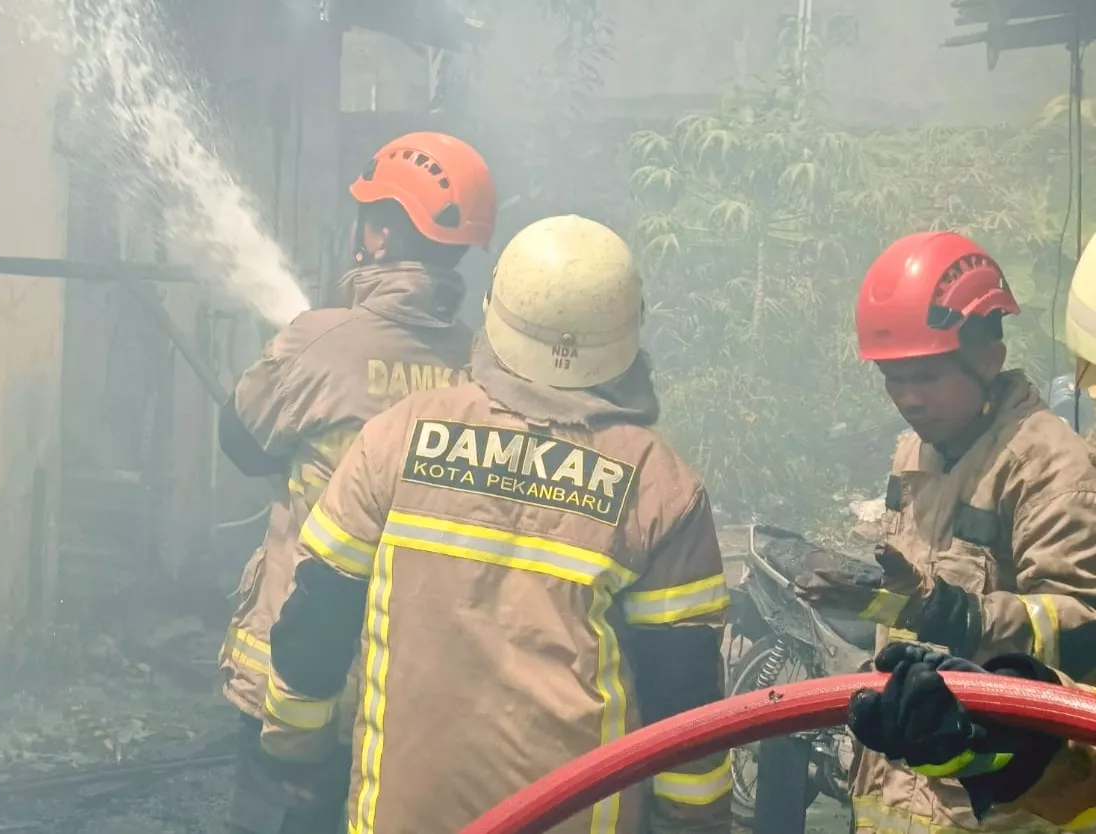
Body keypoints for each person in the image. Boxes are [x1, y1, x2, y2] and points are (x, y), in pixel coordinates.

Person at [260, 214, 733, 834]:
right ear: (629, 331)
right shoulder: (658, 485)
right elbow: (684, 696)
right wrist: (695, 821)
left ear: (493, 311)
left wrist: (296, 750)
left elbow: (316, 618)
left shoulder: (395, 439)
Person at [216, 130, 497, 834]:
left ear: (375, 235)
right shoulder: (486, 369)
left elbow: (242, 444)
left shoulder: (319, 339)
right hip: (419, 695)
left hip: (296, 682)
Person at [795, 231, 1096, 833]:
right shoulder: (916, 455)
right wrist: (867, 598)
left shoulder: (1051, 469)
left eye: (926, 376)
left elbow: (1081, 633)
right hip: (897, 799)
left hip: (1000, 808)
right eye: (891, 378)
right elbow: (917, 607)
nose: (907, 398)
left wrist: (951, 613)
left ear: (987, 355)